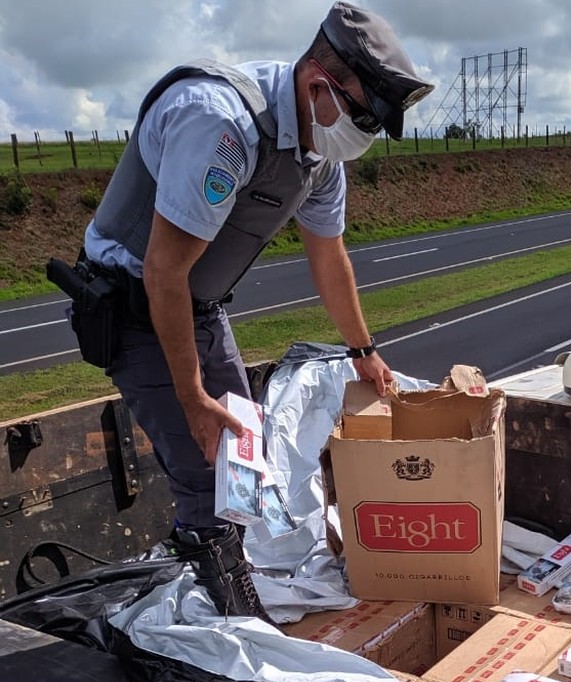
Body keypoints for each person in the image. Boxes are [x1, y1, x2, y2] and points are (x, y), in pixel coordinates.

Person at [73, 2, 433, 620]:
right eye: (364, 119)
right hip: (135, 305)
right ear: (318, 85)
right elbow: (163, 272)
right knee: (204, 466)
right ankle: (220, 628)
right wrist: (192, 397)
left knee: (243, 460)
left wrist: (363, 351)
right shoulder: (220, 124)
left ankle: (216, 579)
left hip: (197, 306)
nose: (365, 136)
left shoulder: (319, 157)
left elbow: (330, 259)